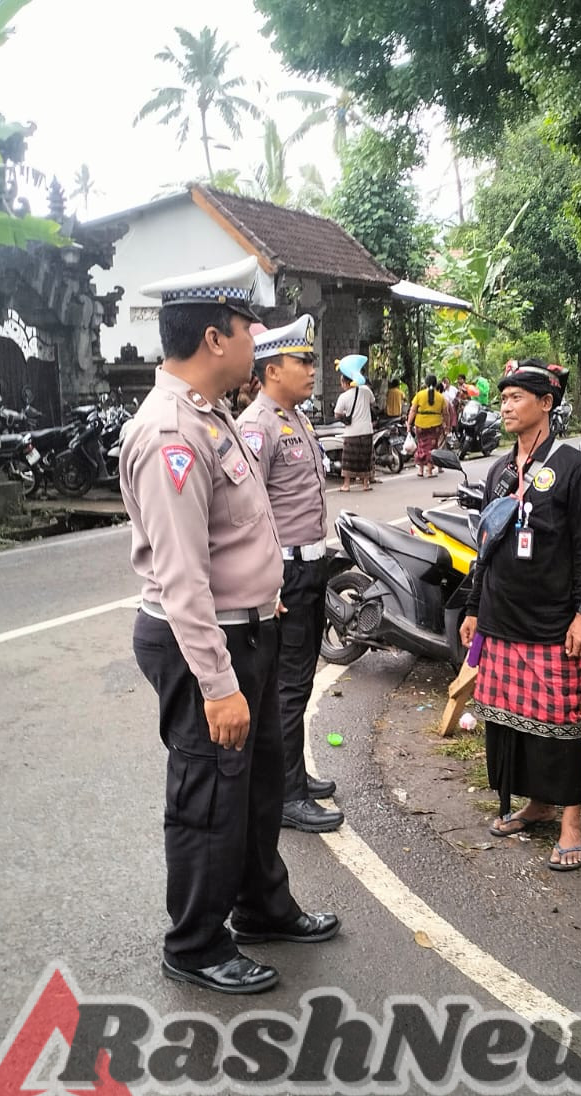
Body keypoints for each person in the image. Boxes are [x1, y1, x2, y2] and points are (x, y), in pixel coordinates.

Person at [120, 255, 339, 996]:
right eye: (250, 328)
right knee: (209, 793)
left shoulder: (213, 415)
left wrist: (265, 599)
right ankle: (195, 943)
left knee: (256, 784)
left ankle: (261, 906)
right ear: (216, 338)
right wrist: (217, 685)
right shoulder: (172, 434)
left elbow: (238, 531)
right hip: (204, 641)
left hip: (248, 627)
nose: (257, 340)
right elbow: (182, 576)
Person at [459, 359, 581, 872]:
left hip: (551, 620)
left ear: (545, 403)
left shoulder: (573, 467)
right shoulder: (499, 470)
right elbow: (486, 545)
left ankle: (571, 822)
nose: (506, 406)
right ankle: (537, 805)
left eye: (516, 397)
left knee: (559, 722)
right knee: (510, 722)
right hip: (501, 614)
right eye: (503, 399)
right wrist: (473, 606)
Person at [236, 315, 342, 835]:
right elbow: (247, 511)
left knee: (298, 679)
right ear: (272, 369)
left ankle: (293, 774)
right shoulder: (257, 425)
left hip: (310, 566)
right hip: (287, 572)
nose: (311, 369)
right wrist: (268, 580)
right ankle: (287, 794)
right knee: (288, 687)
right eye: (302, 361)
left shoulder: (294, 418)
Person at [334, 354, 376, 492]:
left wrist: (346, 418)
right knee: (365, 457)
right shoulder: (366, 390)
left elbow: (337, 414)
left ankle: (346, 485)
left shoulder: (343, 397)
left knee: (349, 459)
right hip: (367, 430)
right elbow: (373, 402)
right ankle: (365, 484)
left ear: (345, 382)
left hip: (351, 432)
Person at [408, 373, 448, 477]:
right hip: (435, 425)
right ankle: (429, 471)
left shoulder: (419, 395)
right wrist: (447, 425)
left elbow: (413, 410)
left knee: (421, 446)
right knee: (432, 448)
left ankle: (420, 470)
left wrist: (409, 424)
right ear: (436, 384)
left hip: (420, 424)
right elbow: (445, 413)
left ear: (426, 383)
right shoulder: (440, 397)